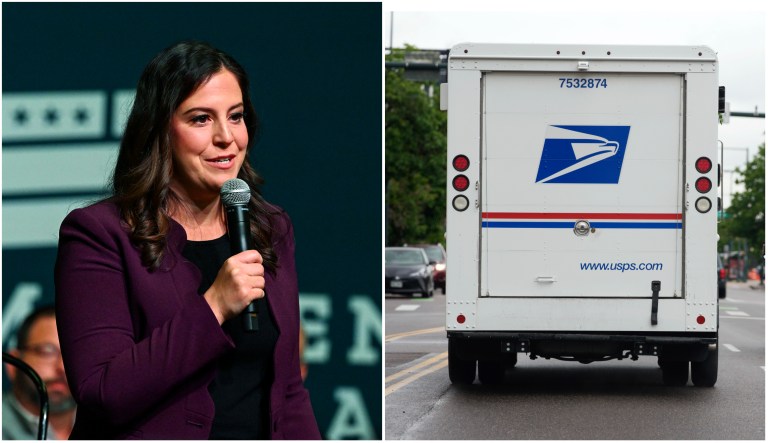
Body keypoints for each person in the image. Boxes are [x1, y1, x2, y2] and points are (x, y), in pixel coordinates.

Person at [54, 40, 320, 439]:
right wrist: (214, 306)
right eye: (200, 119)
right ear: (160, 129)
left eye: (236, 116)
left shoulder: (270, 227)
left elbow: (287, 390)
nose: (225, 137)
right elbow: (103, 392)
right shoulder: (99, 233)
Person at [3, 305, 76, 440]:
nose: (62, 367)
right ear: (12, 365)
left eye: (74, 354)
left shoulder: (111, 426)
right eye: (47, 352)